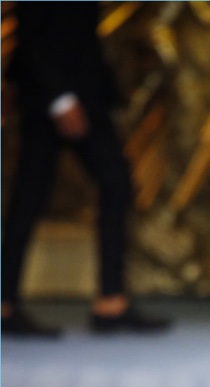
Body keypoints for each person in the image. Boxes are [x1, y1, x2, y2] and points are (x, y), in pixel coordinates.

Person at [1, 1, 168, 337]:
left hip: (87, 94)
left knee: (117, 183)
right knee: (29, 197)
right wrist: (60, 99)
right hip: (46, 96)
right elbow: (32, 35)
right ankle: (4, 304)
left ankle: (111, 300)